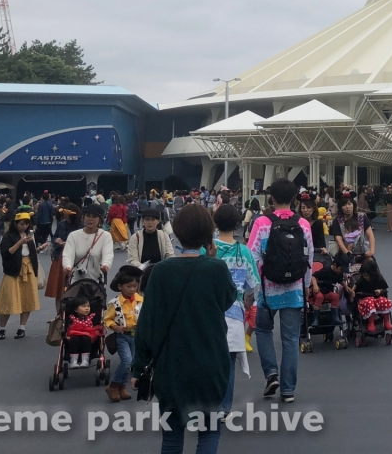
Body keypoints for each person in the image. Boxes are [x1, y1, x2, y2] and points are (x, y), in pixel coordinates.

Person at [131, 204, 236, 454]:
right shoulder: (216, 269)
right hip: (210, 361)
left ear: (176, 232)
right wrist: (212, 260)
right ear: (207, 234)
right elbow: (228, 300)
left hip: (171, 365)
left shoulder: (160, 272)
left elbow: (146, 323)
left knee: (172, 434)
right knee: (209, 429)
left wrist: (138, 367)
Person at [248, 178, 314, 404]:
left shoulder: (262, 222)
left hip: (268, 290)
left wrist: (256, 282)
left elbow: (252, 255)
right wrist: (305, 286)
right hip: (294, 290)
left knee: (263, 330)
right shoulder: (303, 224)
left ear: (272, 198)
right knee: (290, 339)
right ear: (294, 198)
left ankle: (271, 373)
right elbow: (309, 256)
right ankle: (288, 390)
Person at [212, 204, 259, 416]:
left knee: (208, 359)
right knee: (228, 362)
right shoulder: (244, 251)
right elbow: (253, 284)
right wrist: (247, 301)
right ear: (237, 224)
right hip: (234, 311)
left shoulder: (208, 249)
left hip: (208, 311)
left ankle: (207, 404)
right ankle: (224, 407)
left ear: (214, 222)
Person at [0, 209, 40, 340]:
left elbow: (30, 252)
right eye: (21, 224)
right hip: (13, 270)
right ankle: (2, 329)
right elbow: (6, 253)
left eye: (26, 224)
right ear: (15, 224)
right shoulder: (8, 236)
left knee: (27, 299)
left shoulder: (30, 235)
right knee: (8, 300)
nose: (23, 226)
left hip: (28, 268)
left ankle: (22, 327)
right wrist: (20, 242)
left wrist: (38, 249)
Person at [104, 265, 144, 401]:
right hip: (122, 336)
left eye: (135, 286)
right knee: (126, 361)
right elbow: (107, 319)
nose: (133, 289)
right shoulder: (115, 303)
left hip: (136, 336)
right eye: (129, 286)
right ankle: (113, 385)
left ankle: (122, 387)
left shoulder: (140, 301)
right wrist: (115, 327)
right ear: (120, 287)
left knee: (132, 363)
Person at [62, 204, 114, 283]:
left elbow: (108, 254)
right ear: (83, 218)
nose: (90, 219)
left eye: (94, 216)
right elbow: (68, 255)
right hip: (76, 281)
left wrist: (106, 265)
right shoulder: (74, 235)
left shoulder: (105, 236)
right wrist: (67, 266)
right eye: (88, 215)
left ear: (99, 219)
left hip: (97, 281)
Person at [346, 257, 392, 333]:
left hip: (376, 298)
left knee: (385, 301)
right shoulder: (362, 279)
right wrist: (352, 291)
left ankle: (386, 322)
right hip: (364, 300)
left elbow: (384, 288)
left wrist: (379, 290)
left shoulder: (379, 278)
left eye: (367, 276)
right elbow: (356, 285)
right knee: (370, 301)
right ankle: (371, 323)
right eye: (364, 275)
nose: (365, 277)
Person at [45, 203, 81, 302]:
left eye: (67, 215)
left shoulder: (80, 226)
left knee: (72, 287)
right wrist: (56, 240)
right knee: (59, 289)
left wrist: (69, 243)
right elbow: (54, 237)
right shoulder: (62, 224)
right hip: (60, 256)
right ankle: (59, 314)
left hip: (74, 257)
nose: (66, 217)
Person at [64, 295, 103, 368]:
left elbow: (96, 327)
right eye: (84, 306)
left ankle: (85, 360)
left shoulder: (91, 317)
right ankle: (73, 360)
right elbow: (69, 327)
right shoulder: (72, 318)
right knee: (74, 339)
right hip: (75, 334)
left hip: (88, 334)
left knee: (86, 339)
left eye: (88, 306)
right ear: (76, 309)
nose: (87, 308)